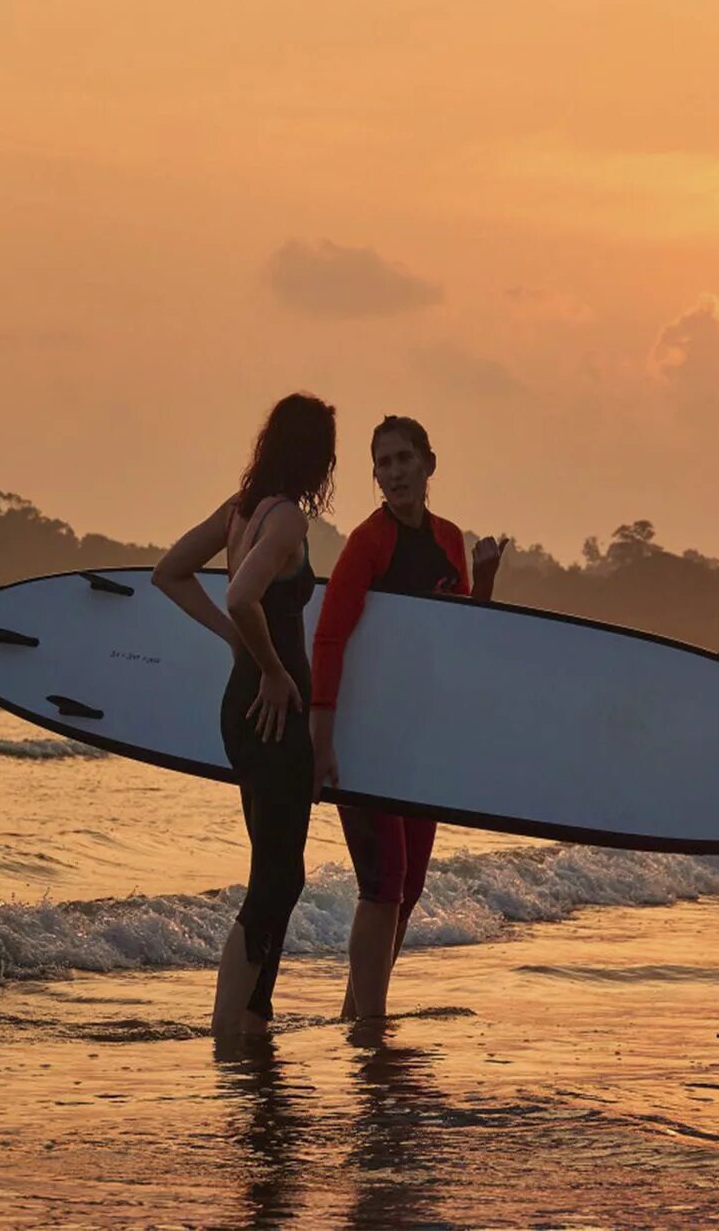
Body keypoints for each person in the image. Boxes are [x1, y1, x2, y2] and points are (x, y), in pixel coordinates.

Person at [310, 414, 507, 1019]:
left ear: (429, 465)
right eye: (383, 463)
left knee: (411, 887)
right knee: (383, 880)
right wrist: (323, 739)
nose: (393, 472)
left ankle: (360, 1014)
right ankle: (366, 1025)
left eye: (403, 459)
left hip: (419, 742)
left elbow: (456, 641)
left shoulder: (449, 539)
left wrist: (487, 583)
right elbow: (330, 638)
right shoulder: (368, 542)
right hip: (367, 738)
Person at [153, 392, 337, 1035]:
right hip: (270, 712)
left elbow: (170, 572)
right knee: (278, 877)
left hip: (242, 706)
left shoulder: (239, 513)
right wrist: (274, 668)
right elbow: (240, 596)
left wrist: (237, 646)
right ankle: (231, 1019)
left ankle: (255, 1013)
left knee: (277, 869)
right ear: (318, 459)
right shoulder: (284, 520)